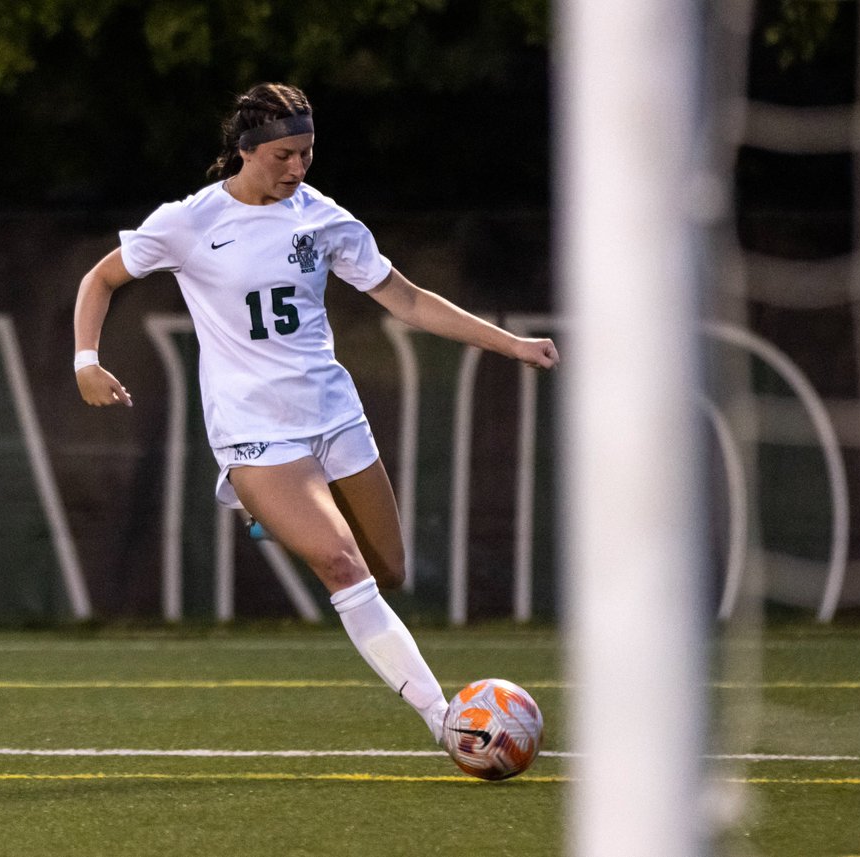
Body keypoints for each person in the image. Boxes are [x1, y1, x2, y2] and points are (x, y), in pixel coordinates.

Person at [73, 82, 559, 747]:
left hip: (333, 414)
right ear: (246, 150)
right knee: (341, 564)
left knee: (385, 571)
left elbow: (409, 300)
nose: (298, 168)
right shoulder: (188, 222)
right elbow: (101, 278)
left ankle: (272, 521)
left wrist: (513, 345)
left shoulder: (322, 217)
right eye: (284, 155)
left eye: (307, 153)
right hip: (255, 429)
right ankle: (446, 722)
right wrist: (85, 360)